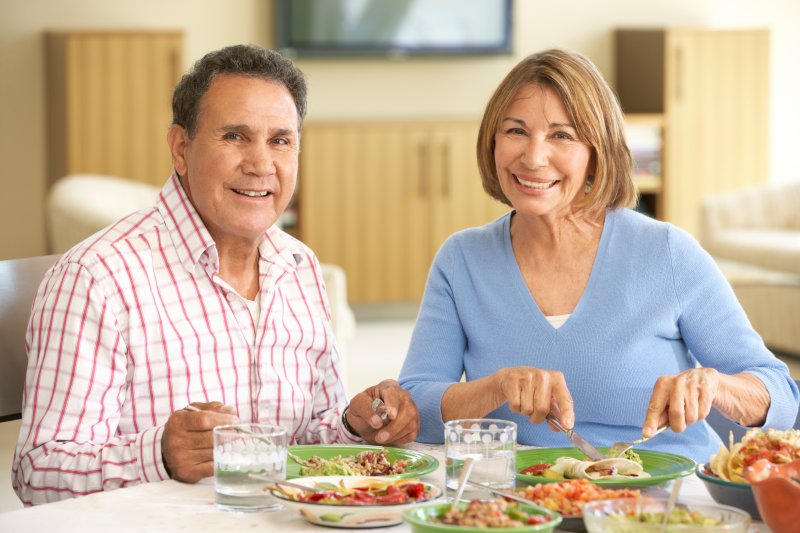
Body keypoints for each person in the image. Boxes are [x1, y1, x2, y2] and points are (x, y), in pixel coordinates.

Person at [13, 44, 419, 506]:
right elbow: (37, 470)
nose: (261, 164)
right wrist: (159, 455)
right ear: (181, 148)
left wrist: (354, 424)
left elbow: (308, 440)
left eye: (280, 140)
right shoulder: (98, 278)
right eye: (235, 136)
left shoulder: (300, 267)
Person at [398, 48, 799, 463]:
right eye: (515, 131)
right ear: (492, 142)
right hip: (524, 504)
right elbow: (412, 409)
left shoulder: (667, 252)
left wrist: (716, 387)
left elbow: (781, 396)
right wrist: (496, 387)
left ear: (597, 151)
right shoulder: (462, 260)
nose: (533, 158)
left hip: (670, 502)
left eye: (561, 135)